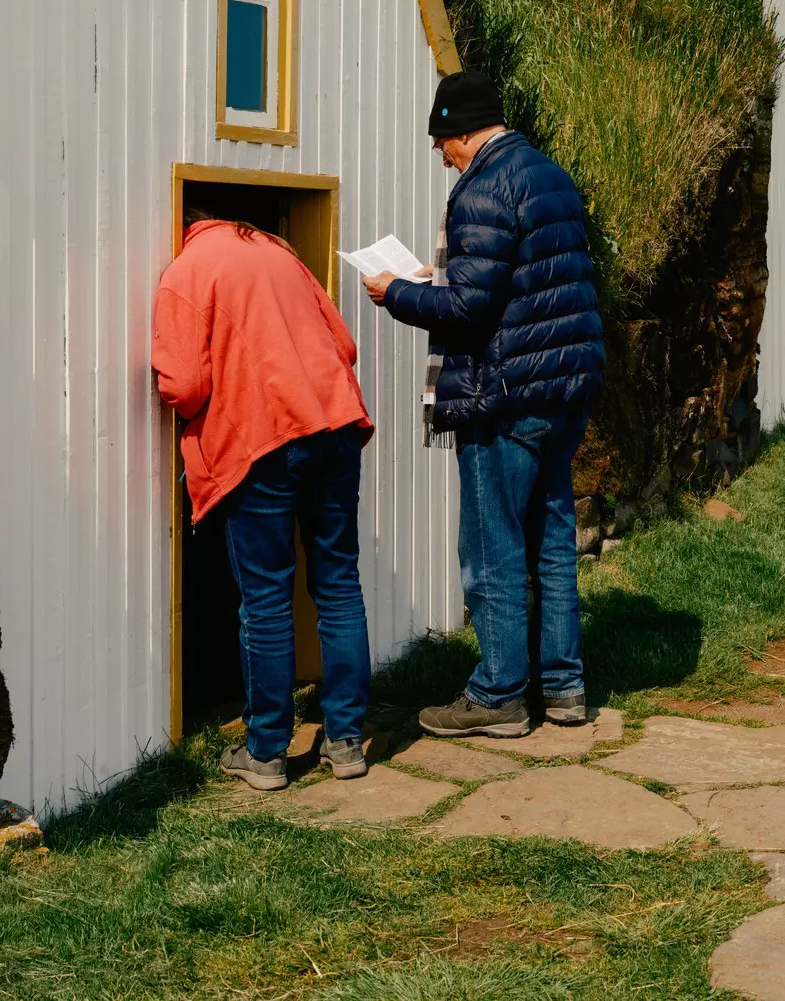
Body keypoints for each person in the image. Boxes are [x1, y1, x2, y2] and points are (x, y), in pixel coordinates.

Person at [363, 66, 605, 739]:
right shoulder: (548, 174)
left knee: (491, 544)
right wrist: (435, 276)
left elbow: (473, 306)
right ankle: (563, 686)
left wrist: (397, 292)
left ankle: (498, 695)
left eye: (443, 143)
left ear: (463, 133)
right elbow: (520, 282)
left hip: (506, 395)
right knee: (552, 539)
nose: (442, 156)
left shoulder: (482, 187)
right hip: (565, 386)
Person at [153, 206, 375, 790]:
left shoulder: (187, 270)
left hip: (265, 441)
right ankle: (347, 740)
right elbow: (344, 347)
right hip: (335, 426)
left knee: (267, 596)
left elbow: (183, 385)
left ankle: (268, 753)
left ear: (185, 223)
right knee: (337, 581)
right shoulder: (283, 255)